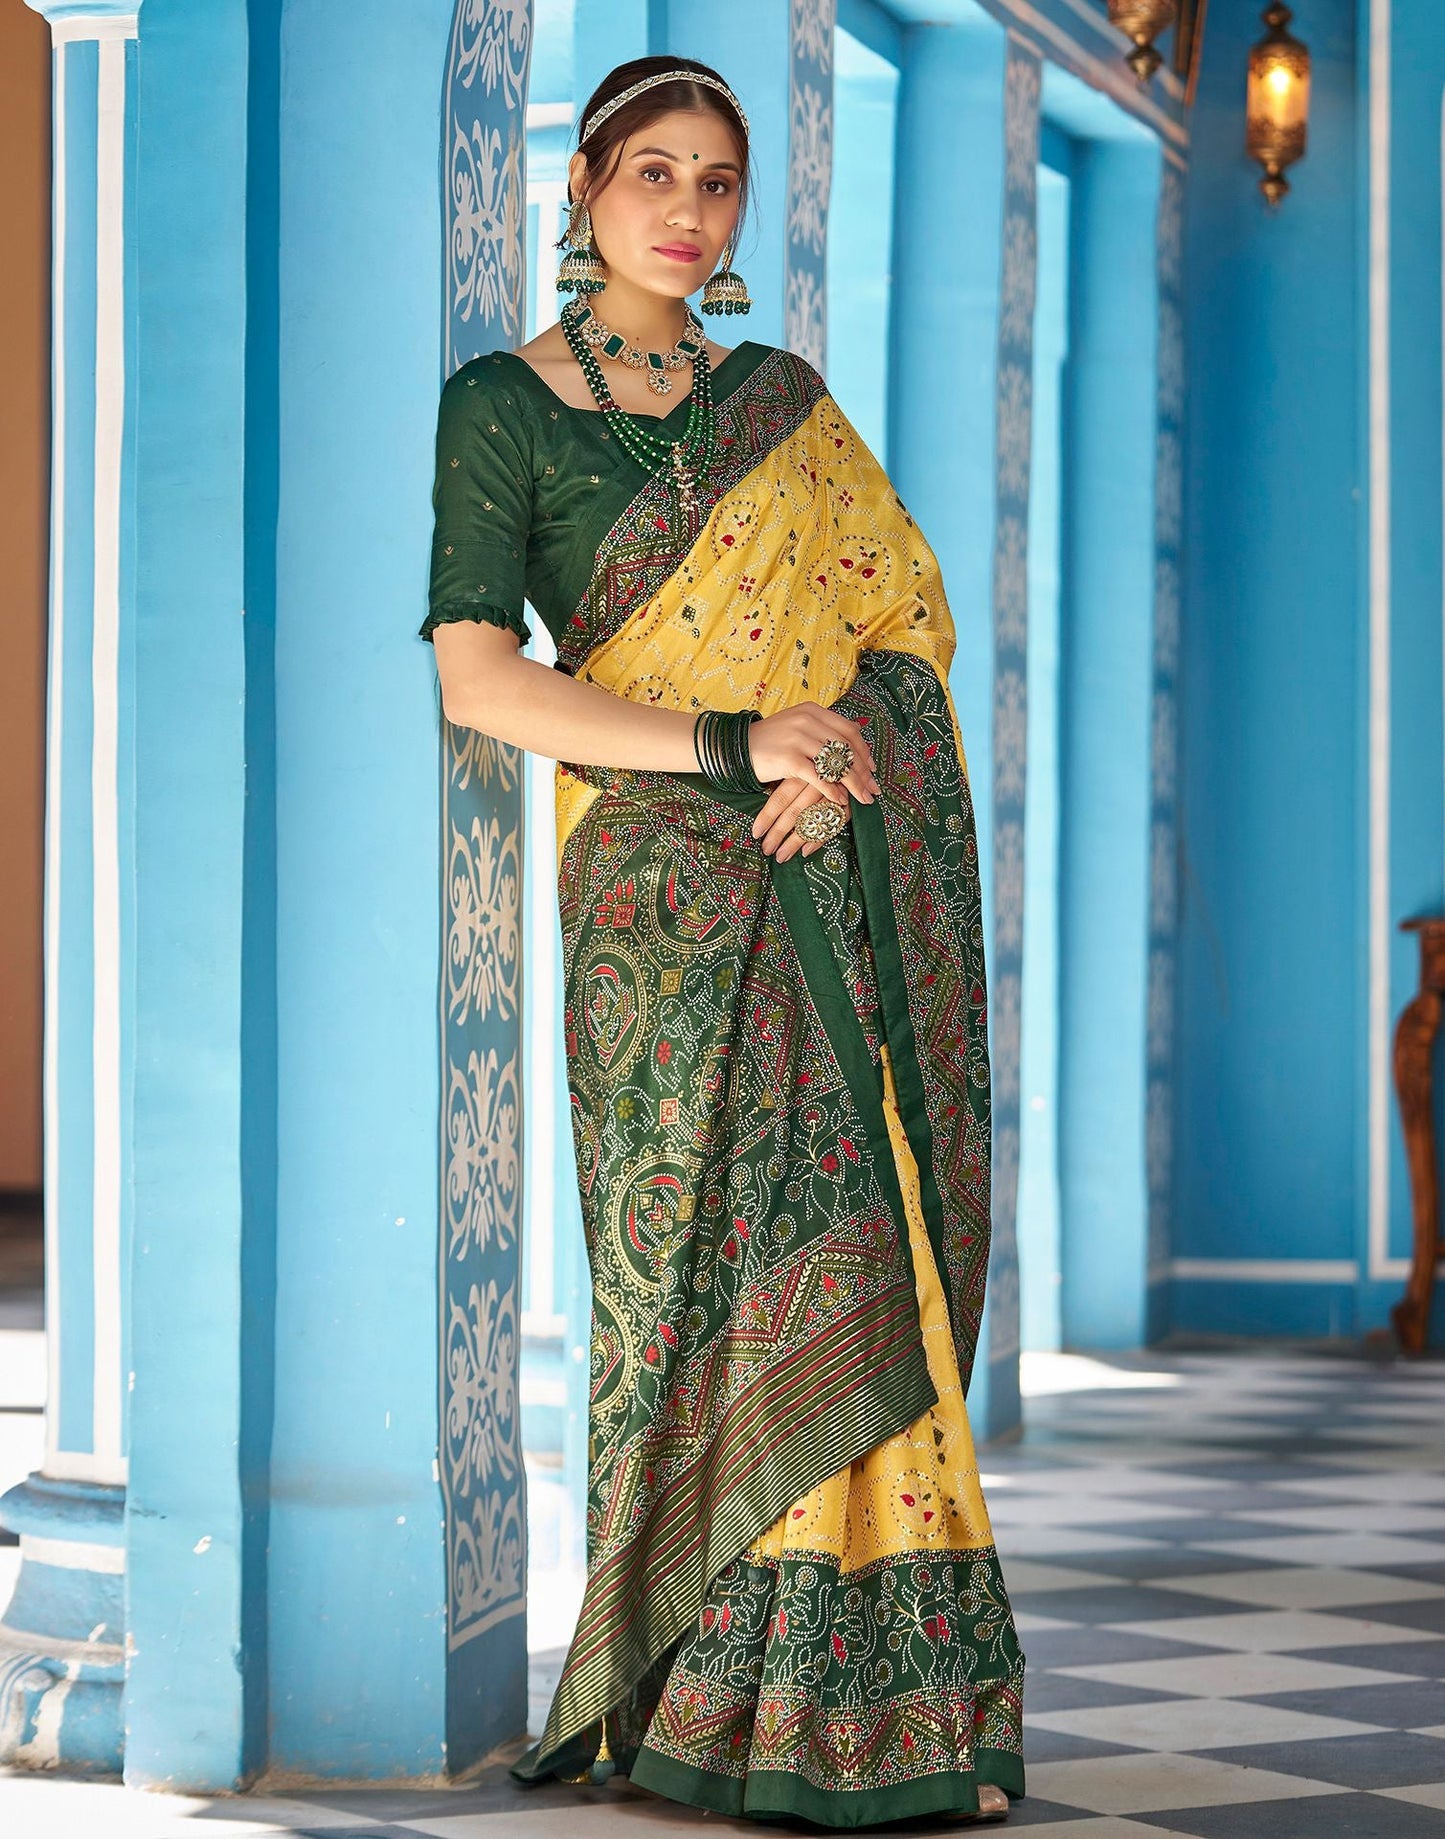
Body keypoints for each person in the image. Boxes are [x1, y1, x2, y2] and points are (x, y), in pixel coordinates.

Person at [421, 53, 1025, 1830]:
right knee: (679, 1288)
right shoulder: (501, 408)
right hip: (656, 914)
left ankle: (887, 1720)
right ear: (585, 188)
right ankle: (697, 1696)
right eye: (652, 177)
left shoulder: (785, 403)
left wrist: (834, 757)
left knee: (870, 1252)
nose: (686, 215)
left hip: (818, 875)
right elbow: (479, 677)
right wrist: (730, 745)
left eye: (716, 186)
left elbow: (894, 640)